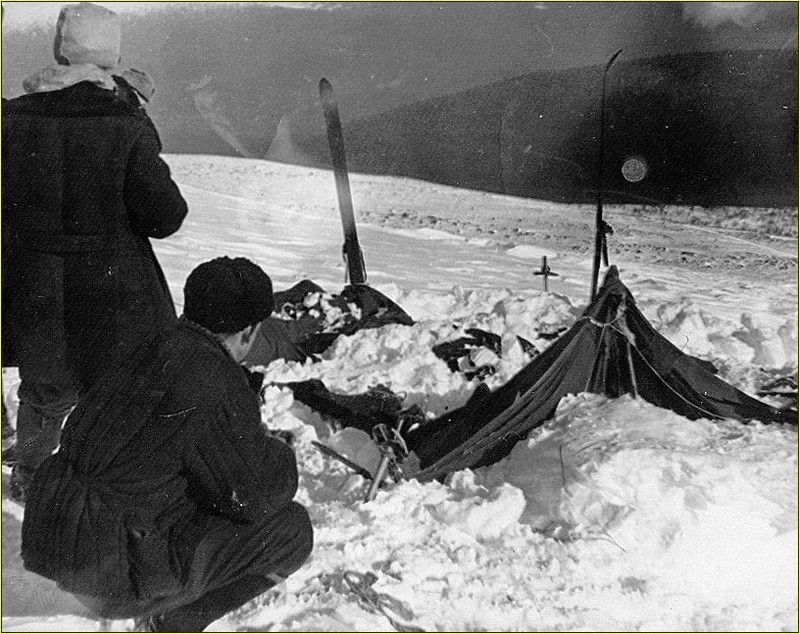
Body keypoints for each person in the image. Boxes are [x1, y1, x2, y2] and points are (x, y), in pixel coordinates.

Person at [20, 257, 314, 632]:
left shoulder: (142, 344)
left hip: (53, 538)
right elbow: (253, 497)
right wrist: (278, 452)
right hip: (110, 576)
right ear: (248, 331)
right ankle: (173, 623)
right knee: (291, 531)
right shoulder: (214, 379)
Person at [1, 2, 188, 501]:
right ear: (114, 55)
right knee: (114, 390)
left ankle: (31, 480)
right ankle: (105, 487)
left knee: (44, 389)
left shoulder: (9, 119)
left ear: (58, 50)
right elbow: (166, 217)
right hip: (112, 286)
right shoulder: (125, 120)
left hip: (33, 282)